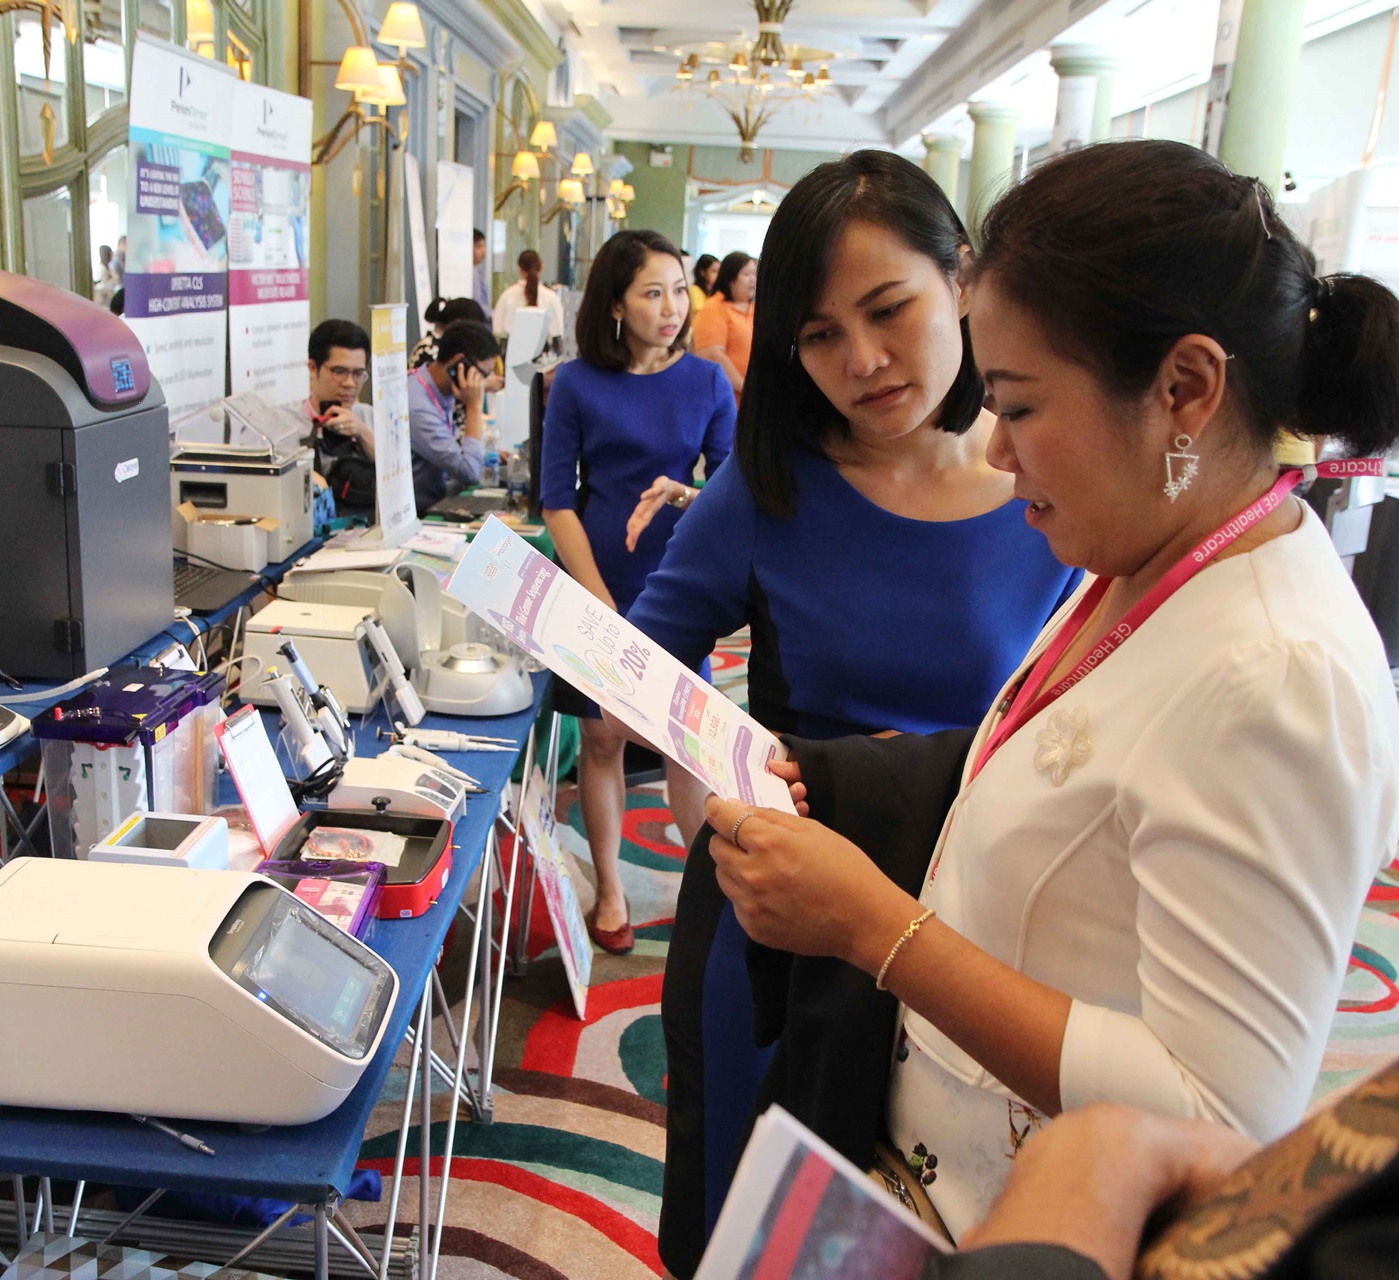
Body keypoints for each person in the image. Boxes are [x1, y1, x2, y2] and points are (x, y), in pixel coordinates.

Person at [700, 137, 1399, 1246]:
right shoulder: (1149, 556)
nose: (997, 453)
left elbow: (1220, 1118)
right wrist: (856, 776)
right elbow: (1077, 763)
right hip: (933, 1170)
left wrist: (872, 925)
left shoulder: (1279, 677)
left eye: (1022, 407)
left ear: (1184, 389)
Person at [628, 150, 1083, 1276]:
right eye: (820, 334)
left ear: (962, 279)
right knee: (752, 1222)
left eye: (889, 311)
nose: (863, 362)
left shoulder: (1050, 482)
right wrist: (714, 803)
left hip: (975, 920)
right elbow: (641, 667)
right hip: (780, 915)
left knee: (935, 1223)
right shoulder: (771, 484)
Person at [539, 228, 736, 955]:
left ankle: (706, 895)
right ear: (617, 304)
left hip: (679, 583)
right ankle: (612, 888)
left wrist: (684, 494)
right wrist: (597, 602)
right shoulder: (576, 383)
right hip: (597, 578)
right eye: (653, 293)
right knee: (603, 739)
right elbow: (556, 500)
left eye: (680, 290)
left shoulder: (708, 382)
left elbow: (732, 493)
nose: (673, 307)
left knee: (687, 743)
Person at [407, 319, 501, 513]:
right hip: (422, 510)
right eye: (482, 375)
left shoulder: (438, 387)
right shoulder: (419, 407)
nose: (483, 383)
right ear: (459, 363)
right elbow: (469, 471)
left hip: (440, 496)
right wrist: (474, 406)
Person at [304, 319, 377, 518]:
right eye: (340, 372)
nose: (350, 383)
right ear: (313, 368)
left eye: (358, 374)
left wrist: (362, 432)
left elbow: (397, 479)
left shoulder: (371, 418)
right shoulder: (286, 425)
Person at [692, 251, 756, 397]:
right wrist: (745, 389)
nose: (753, 279)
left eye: (754, 273)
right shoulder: (713, 308)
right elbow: (712, 355)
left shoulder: (756, 309)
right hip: (727, 397)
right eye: (747, 274)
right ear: (730, 278)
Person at [493, 248, 566, 350]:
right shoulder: (551, 297)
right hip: (543, 353)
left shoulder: (507, 296)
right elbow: (558, 332)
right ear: (541, 267)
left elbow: (497, 330)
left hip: (511, 351)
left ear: (519, 269)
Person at [690, 253, 719, 318]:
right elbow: (702, 314)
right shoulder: (695, 290)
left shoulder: (715, 292)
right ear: (702, 272)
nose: (718, 275)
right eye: (714, 271)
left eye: (719, 271)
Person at [472, 227, 492, 310]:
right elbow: (477, 304)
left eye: (484, 246)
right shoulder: (471, 273)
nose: (484, 251)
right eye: (479, 246)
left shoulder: (478, 270)